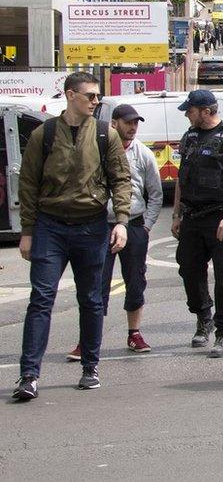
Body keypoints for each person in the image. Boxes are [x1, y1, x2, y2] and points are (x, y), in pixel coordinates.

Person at [12, 72, 132, 401]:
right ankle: (29, 375)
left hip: (91, 227)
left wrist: (120, 220)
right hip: (50, 227)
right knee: (41, 299)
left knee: (91, 300)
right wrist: (27, 231)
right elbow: (28, 184)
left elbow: (121, 179)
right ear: (70, 96)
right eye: (90, 96)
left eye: (97, 96)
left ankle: (90, 367)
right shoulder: (44, 134)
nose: (96, 101)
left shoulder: (105, 135)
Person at [65, 104, 163, 360]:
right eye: (128, 122)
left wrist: (146, 226)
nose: (133, 127)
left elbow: (155, 194)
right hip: (100, 226)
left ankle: (134, 333)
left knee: (135, 281)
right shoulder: (98, 150)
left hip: (133, 225)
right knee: (95, 284)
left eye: (136, 123)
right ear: (114, 123)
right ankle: (88, 340)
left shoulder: (143, 154)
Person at [172, 90, 223, 359]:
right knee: (189, 269)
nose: (187, 114)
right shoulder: (190, 137)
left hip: (222, 218)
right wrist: (176, 214)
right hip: (192, 217)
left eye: (191, 110)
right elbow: (181, 178)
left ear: (206, 111)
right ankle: (203, 317)